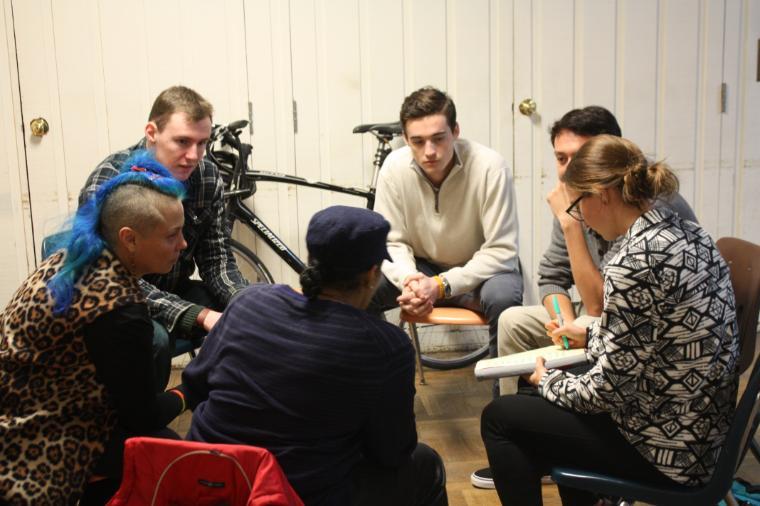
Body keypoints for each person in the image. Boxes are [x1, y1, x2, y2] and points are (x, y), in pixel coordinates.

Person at [480, 135, 739, 505]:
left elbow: (603, 393)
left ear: (601, 195)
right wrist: (593, 333)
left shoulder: (633, 263)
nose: (579, 218)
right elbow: (657, 333)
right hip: (702, 433)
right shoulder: (685, 231)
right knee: (544, 411)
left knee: (500, 418)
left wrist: (546, 379)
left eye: (577, 207)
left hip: (668, 451)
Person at [182, 205, 448, 506]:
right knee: (426, 465)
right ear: (373, 274)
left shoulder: (250, 301)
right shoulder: (385, 346)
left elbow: (195, 385)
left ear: (312, 259)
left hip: (203, 484)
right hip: (290, 497)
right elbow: (393, 453)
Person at [0, 152, 189, 504]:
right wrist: (192, 388)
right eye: (172, 235)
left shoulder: (71, 256)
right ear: (129, 238)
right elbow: (141, 417)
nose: (183, 244)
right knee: (174, 455)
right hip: (37, 446)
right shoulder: (118, 308)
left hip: (17, 409)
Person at [79, 85, 248, 391]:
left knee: (245, 313)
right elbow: (108, 280)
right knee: (151, 338)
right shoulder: (111, 182)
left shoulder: (207, 177)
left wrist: (247, 302)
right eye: (182, 142)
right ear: (152, 132)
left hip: (174, 286)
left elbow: (216, 260)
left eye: (203, 143)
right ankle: (142, 427)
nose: (194, 155)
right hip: (118, 300)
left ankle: (221, 417)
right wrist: (198, 316)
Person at [370, 86, 522, 360]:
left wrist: (440, 285)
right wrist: (410, 281)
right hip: (421, 268)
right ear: (405, 138)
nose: (429, 151)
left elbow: (501, 250)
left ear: (456, 131)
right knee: (360, 285)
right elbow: (392, 241)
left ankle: (507, 398)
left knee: (505, 299)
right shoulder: (394, 167)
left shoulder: (491, 167)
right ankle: (378, 383)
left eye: (439, 138)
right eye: (417, 141)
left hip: (482, 273)